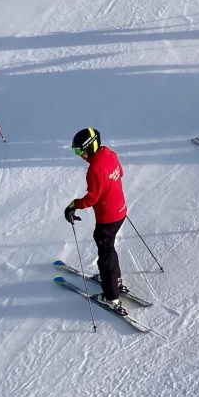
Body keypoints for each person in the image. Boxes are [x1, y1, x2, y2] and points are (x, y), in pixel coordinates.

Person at [65, 127, 128, 313]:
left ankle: (111, 297)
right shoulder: (110, 154)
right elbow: (120, 173)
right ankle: (115, 280)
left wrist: (72, 205)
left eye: (80, 151)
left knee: (105, 255)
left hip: (108, 218)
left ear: (90, 147)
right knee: (109, 247)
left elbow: (91, 199)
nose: (80, 156)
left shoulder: (94, 169)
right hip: (121, 210)